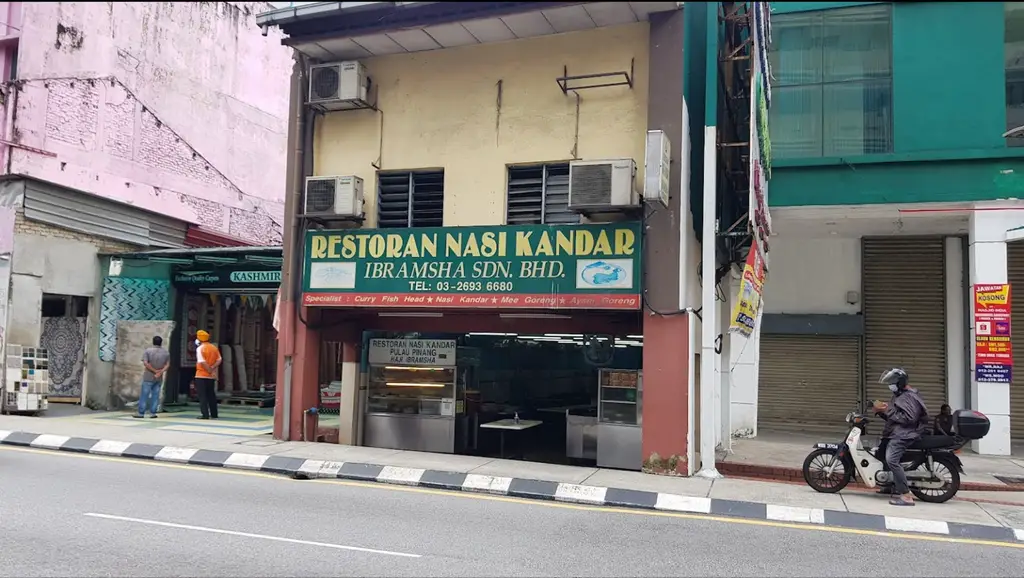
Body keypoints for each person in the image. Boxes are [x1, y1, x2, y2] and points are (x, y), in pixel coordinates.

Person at [872, 367, 929, 507]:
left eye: (891, 383)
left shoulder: (907, 396)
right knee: (882, 453)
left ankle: (906, 495)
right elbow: (896, 417)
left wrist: (887, 409)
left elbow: (908, 418)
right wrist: (882, 411)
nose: (889, 386)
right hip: (898, 432)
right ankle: (890, 486)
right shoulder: (901, 395)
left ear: (899, 383)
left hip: (904, 435)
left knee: (892, 460)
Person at [136, 336, 169, 419]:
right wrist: (160, 372)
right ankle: (153, 413)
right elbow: (167, 365)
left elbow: (146, 363)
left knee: (144, 395)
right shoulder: (166, 353)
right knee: (156, 395)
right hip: (158, 377)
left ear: (153, 342)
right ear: (161, 342)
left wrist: (154, 371)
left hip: (148, 376)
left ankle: (141, 413)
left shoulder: (148, 351)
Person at [194, 330, 222, 420]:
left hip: (201, 375)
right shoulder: (213, 347)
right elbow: (219, 359)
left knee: (202, 396)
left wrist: (210, 371)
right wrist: (213, 368)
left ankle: (205, 414)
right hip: (210, 377)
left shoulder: (200, 348)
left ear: (199, 338)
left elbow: (202, 362)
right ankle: (214, 414)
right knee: (211, 395)